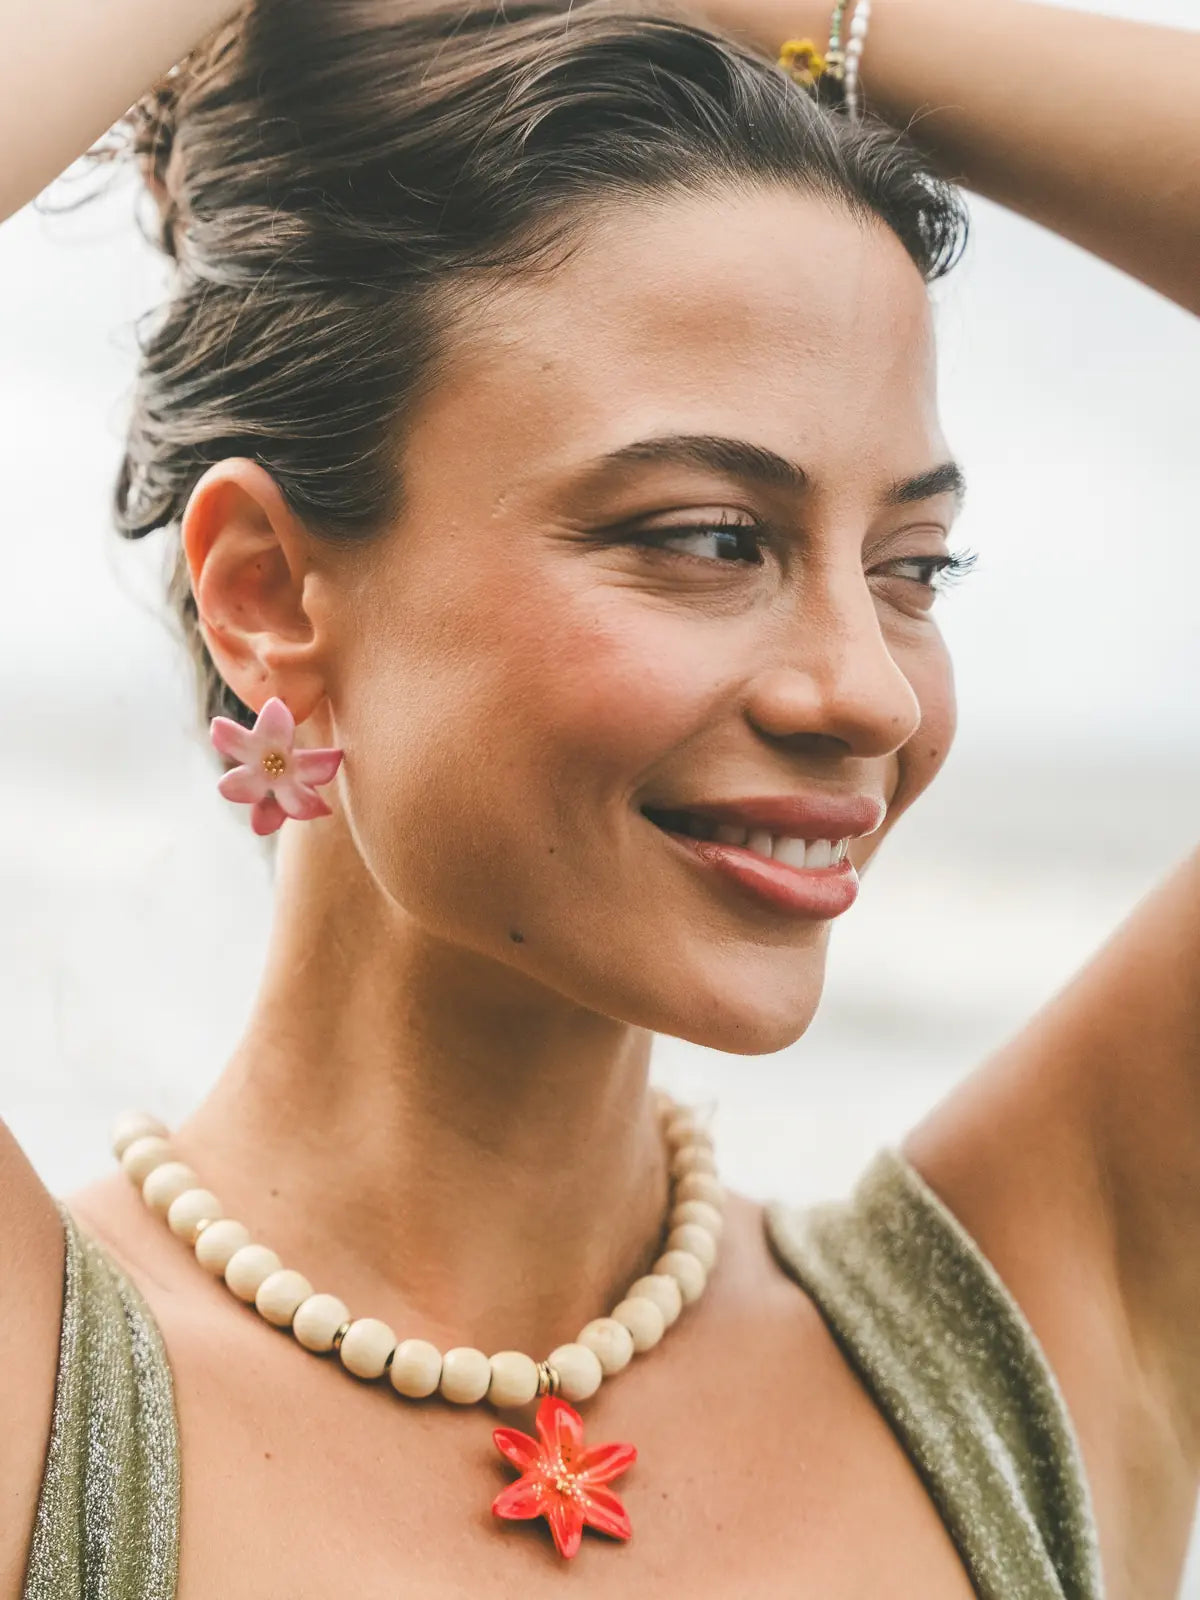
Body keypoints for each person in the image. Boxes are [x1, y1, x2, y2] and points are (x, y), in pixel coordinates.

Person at [1, 0, 1197, 1595]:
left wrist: (805, 18)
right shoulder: (46, 1406)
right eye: (710, 537)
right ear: (271, 591)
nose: (869, 692)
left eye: (912, 568)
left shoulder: (1035, 1353)